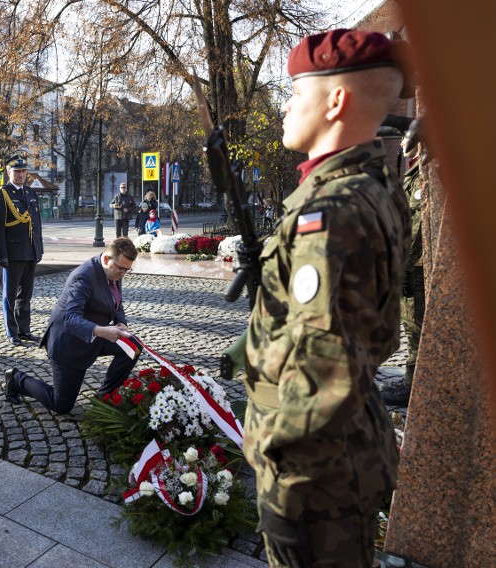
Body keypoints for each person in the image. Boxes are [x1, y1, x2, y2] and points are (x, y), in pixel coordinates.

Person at [241, 29, 412, 568]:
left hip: (315, 469)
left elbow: (327, 366)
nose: (287, 107)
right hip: (343, 455)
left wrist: (273, 451)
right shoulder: (372, 186)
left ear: (336, 100)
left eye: (297, 92)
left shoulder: (331, 212)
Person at [3, 237, 140, 415]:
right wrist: (101, 331)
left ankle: (104, 398)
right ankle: (16, 379)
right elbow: (70, 317)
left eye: (127, 270)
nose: (123, 274)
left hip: (96, 335)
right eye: (121, 269)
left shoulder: (114, 271)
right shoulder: (84, 276)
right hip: (68, 343)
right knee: (61, 406)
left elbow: (117, 303)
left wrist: (121, 322)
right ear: (106, 259)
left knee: (133, 347)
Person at [381, 143, 424, 406]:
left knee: (416, 326)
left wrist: (404, 268)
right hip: (411, 264)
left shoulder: (429, 171)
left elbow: (418, 229)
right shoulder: (417, 170)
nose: (403, 142)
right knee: (412, 325)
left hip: (417, 267)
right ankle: (413, 381)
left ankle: (413, 387)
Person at [0, 153, 44, 346]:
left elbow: (36, 223)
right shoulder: (1, 194)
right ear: (8, 172)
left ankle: (24, 329)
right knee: (10, 295)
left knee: (26, 294)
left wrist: (39, 248)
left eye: (23, 171)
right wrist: (0, 255)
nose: (21, 175)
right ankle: (12, 332)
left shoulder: (29, 192)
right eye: (17, 171)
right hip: (12, 254)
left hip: (30, 252)